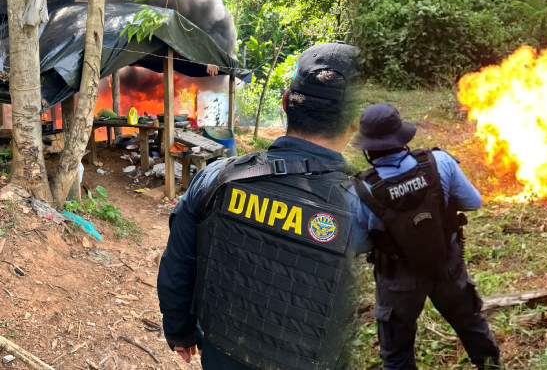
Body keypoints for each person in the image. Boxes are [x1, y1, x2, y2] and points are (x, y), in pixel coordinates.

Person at [158, 43, 361, 370]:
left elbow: (178, 266)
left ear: (284, 102)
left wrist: (180, 332)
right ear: (356, 123)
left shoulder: (217, 178)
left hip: (222, 353)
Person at [349, 104, 501, 370]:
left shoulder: (361, 190)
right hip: (447, 266)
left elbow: (359, 244)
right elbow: (473, 202)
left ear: (368, 149)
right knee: (471, 325)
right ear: (402, 137)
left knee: (397, 352)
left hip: (398, 279)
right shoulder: (439, 162)